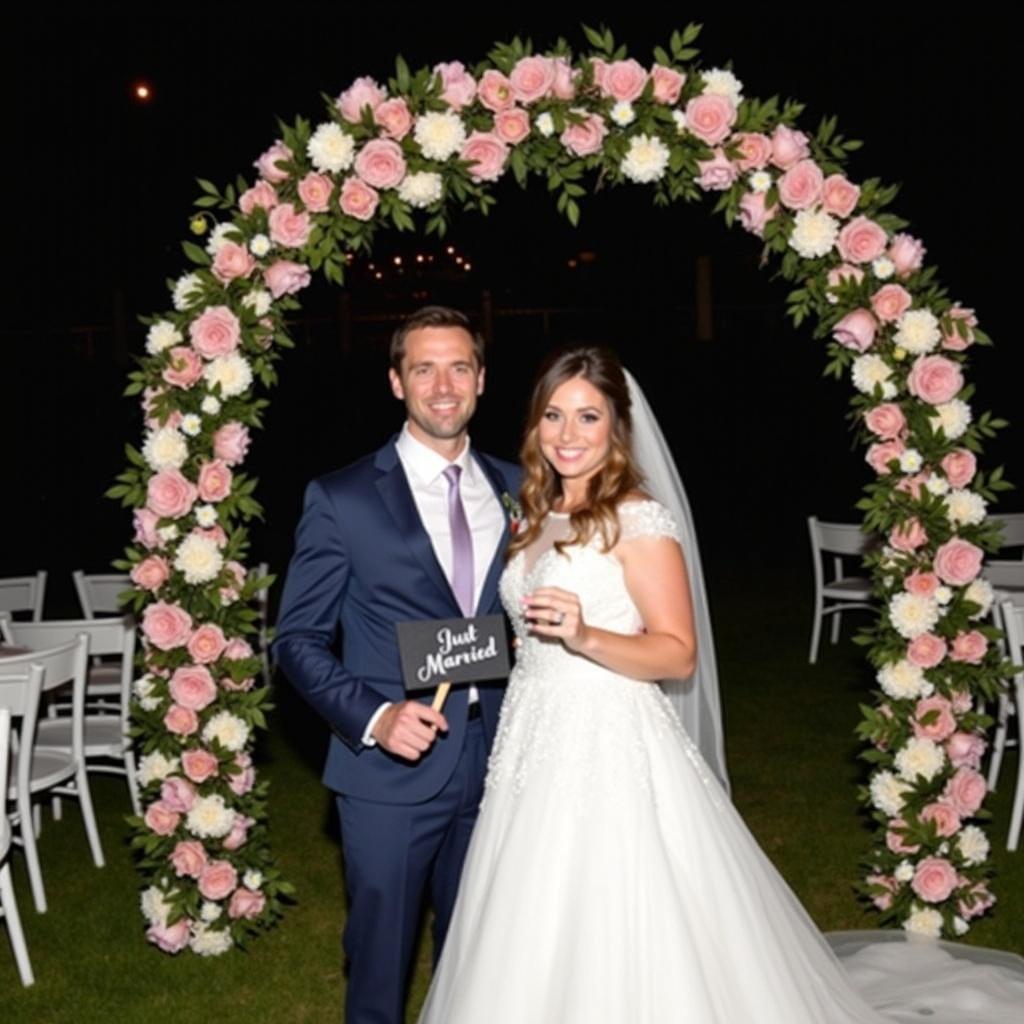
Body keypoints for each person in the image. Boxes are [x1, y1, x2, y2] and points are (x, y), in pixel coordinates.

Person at [418, 347, 1024, 1023]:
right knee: (528, 902)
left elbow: (677, 654)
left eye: (588, 416)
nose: (567, 434)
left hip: (608, 740)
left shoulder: (638, 518)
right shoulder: (533, 513)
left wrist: (585, 635)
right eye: (554, 415)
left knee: (616, 900)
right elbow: (530, 630)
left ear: (616, 425)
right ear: (534, 425)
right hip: (531, 739)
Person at [274, 306, 520, 1024]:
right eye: (423, 368)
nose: (443, 385)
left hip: (503, 758)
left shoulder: (517, 486)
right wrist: (376, 718)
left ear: (481, 378)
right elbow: (296, 640)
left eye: (459, 367)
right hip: (390, 774)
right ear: (395, 381)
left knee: (482, 953)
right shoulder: (342, 497)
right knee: (380, 964)